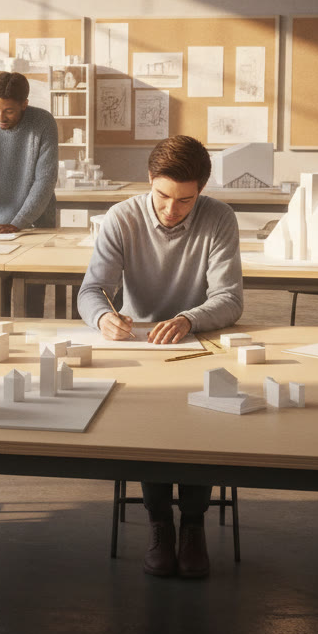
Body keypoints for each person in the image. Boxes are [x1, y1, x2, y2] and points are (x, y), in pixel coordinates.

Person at [77, 135, 243, 579]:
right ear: (149, 180)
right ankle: (159, 524)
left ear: (201, 192)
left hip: (199, 344)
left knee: (202, 421)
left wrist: (188, 319)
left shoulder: (220, 218)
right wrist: (102, 319)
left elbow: (229, 299)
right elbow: (92, 290)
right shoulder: (121, 217)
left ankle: (192, 525)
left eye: (185, 201)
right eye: (162, 196)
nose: (171, 209)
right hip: (142, 345)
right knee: (148, 424)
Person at [0, 71, 58, 316]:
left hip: (36, 224)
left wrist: (18, 223)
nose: (0, 118)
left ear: (25, 105)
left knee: (32, 305)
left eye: (9, 111)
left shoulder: (43, 123)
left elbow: (44, 181)